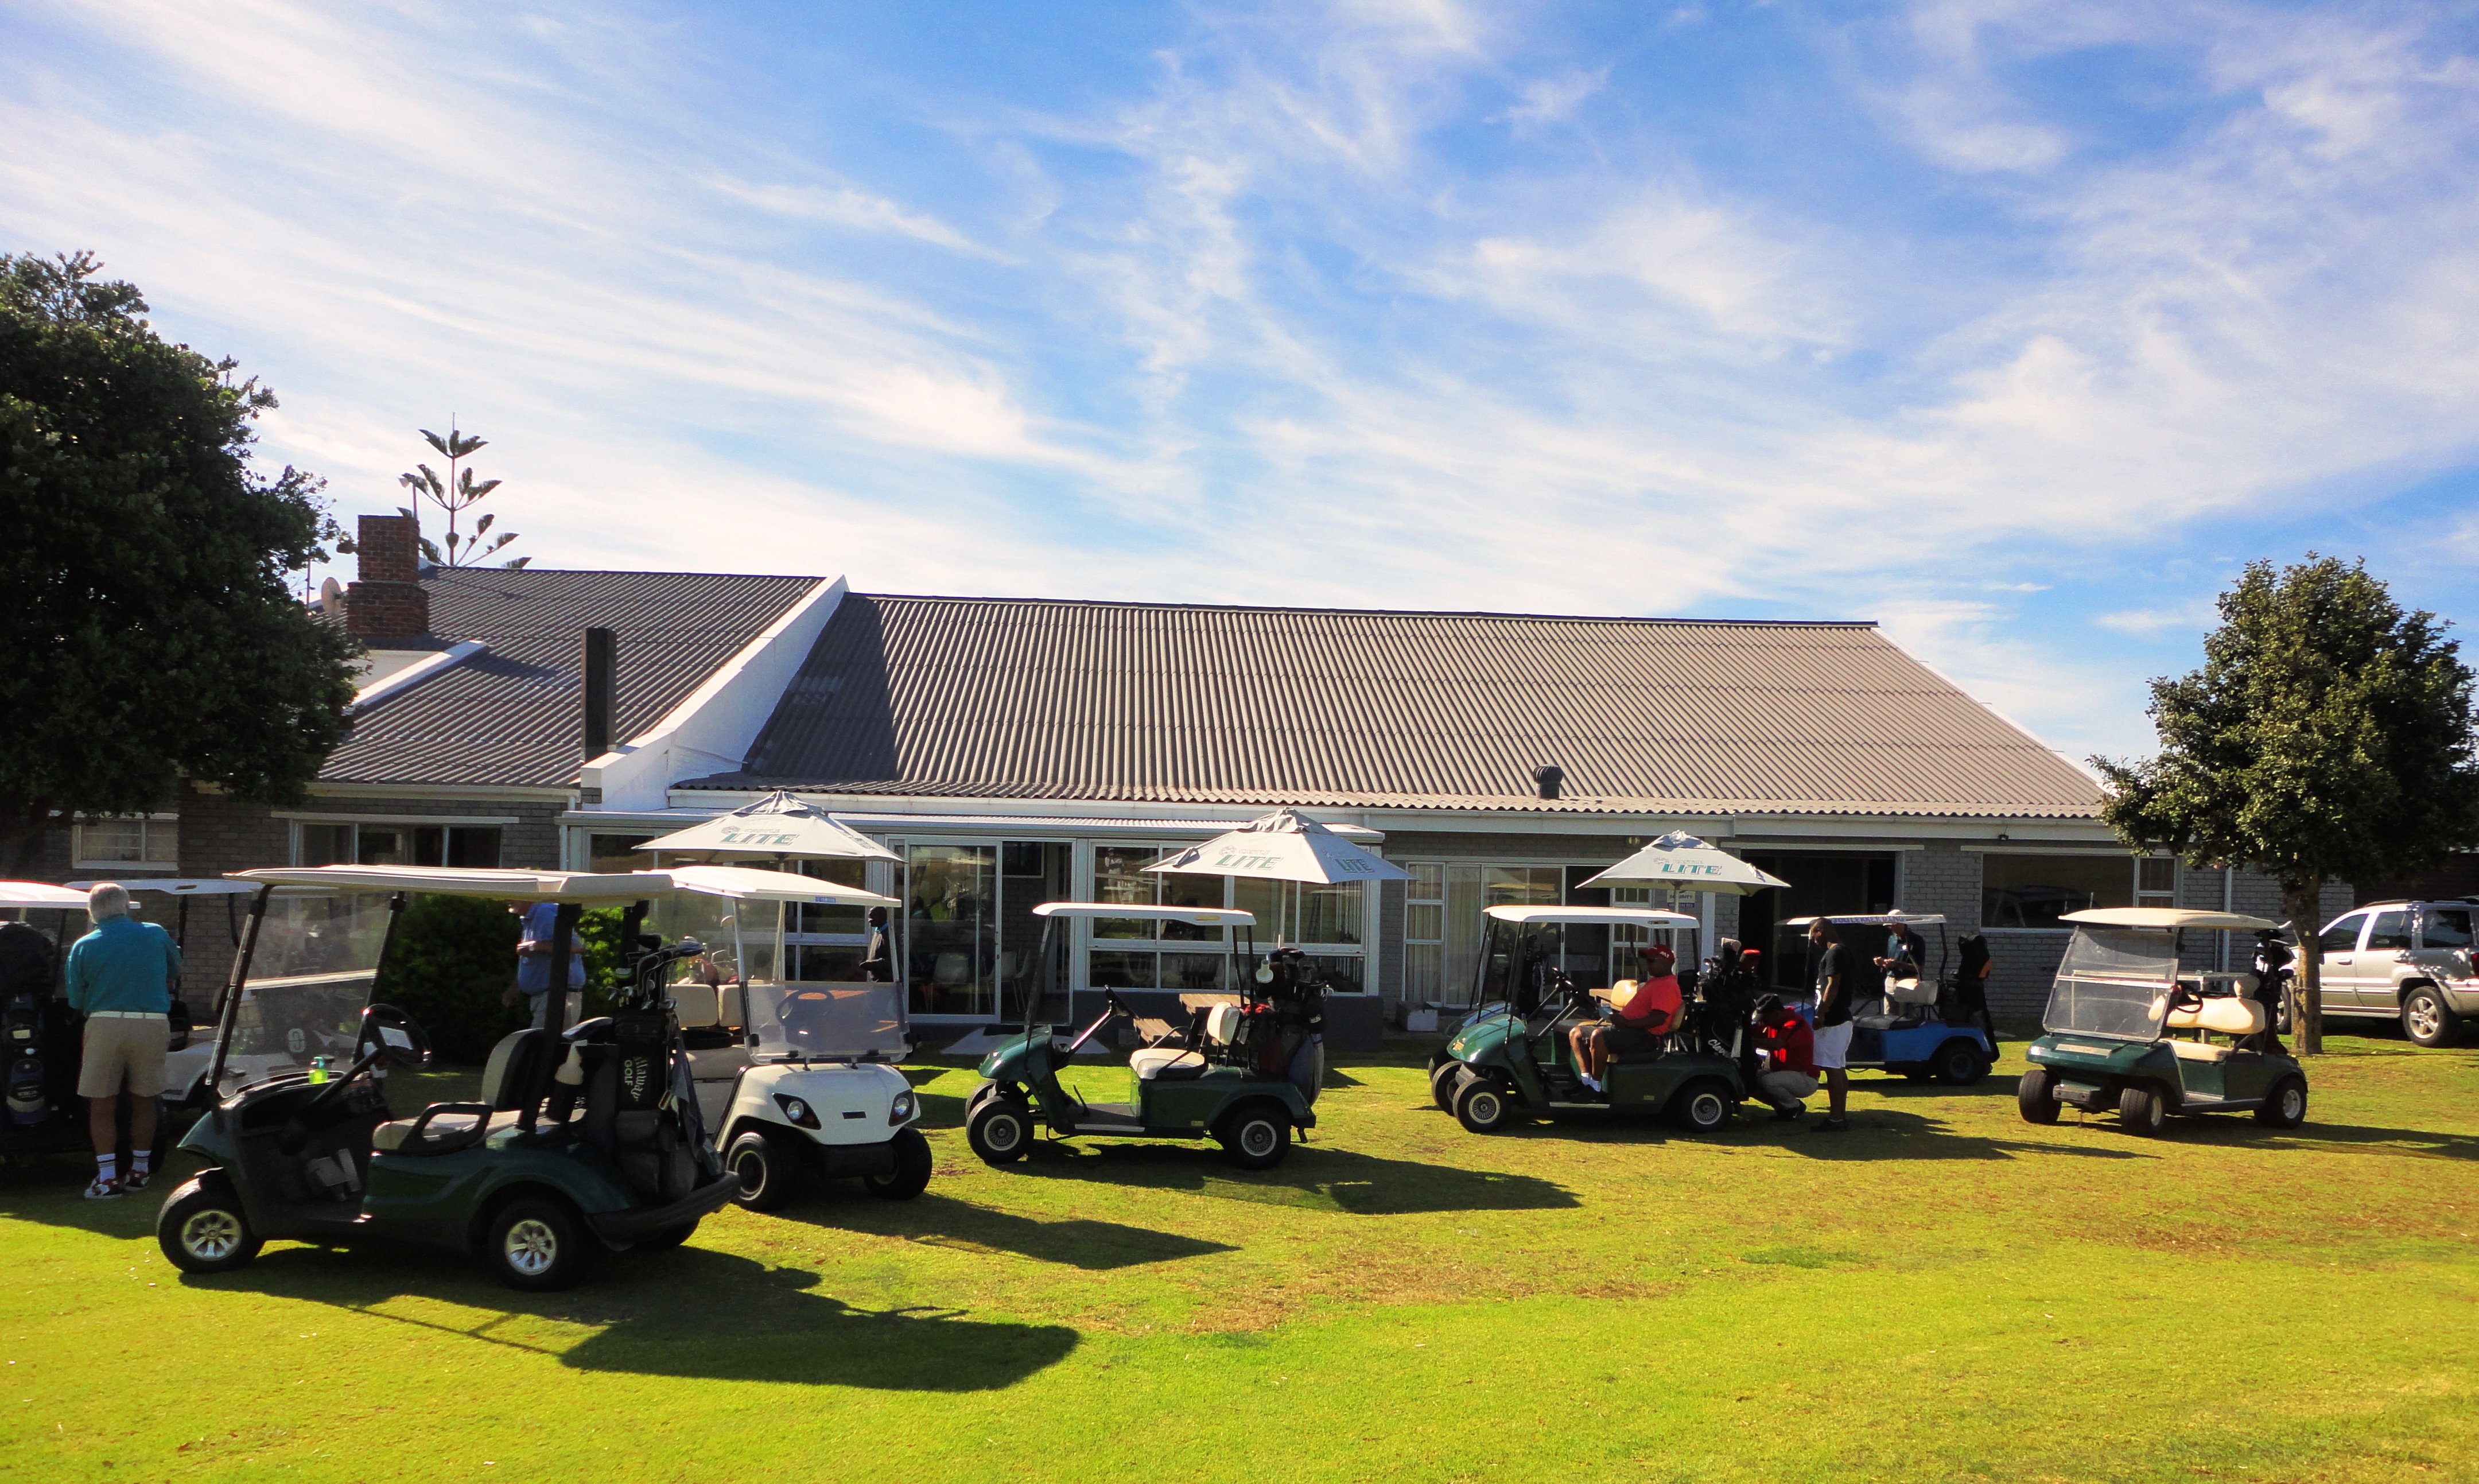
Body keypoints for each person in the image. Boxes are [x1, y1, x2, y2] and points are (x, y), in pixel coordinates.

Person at [64, 884, 182, 1199]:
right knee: (146, 1098)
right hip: (152, 1021)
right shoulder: (155, 933)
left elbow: (76, 999)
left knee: (102, 1103)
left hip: (104, 1021)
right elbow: (175, 968)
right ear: (127, 905)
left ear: (92, 910)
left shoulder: (84, 945)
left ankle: (107, 1178)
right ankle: (140, 1170)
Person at [1568, 945, 1681, 1093]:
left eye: (1651, 961)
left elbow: (1658, 1019)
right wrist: (1619, 1019)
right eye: (1647, 961)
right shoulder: (1655, 982)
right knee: (1577, 1033)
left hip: (1647, 1037)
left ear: (1666, 962)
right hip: (1628, 1031)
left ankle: (1595, 1088)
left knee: (1598, 1036)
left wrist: (1626, 1022)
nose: (1648, 965)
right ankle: (1586, 1082)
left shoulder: (1667, 986)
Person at [501, 901, 585, 1030]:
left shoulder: (544, 912)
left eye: (512, 895)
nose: (506, 900)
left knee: (543, 1042)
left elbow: (576, 947)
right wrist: (516, 986)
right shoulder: (529, 918)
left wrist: (535, 946)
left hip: (557, 995)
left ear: (527, 895)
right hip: (547, 997)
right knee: (540, 1041)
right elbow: (537, 960)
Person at [1807, 916, 1853, 1132]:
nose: (1813, 940)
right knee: (1838, 1067)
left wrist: (1822, 1013)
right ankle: (1839, 1116)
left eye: (1813, 935)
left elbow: (1833, 986)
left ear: (1820, 931)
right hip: (1841, 1019)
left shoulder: (1835, 952)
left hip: (1834, 1019)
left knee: (1832, 1068)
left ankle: (1836, 1119)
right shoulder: (1843, 951)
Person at [1751, 994, 1818, 1121]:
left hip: (1806, 1077)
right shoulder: (1774, 1022)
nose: (1762, 1022)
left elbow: (1778, 1044)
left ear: (1776, 1014)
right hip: (1783, 1073)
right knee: (1750, 1080)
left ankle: (1794, 1107)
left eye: (1764, 1019)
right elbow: (1753, 1030)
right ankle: (1783, 1109)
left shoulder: (1794, 1023)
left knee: (1769, 1081)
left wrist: (1751, 1041)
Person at [860, 906, 895, 984]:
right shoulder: (878, 932)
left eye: (872, 917)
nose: (869, 920)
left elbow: (892, 961)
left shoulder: (889, 935)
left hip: (886, 981)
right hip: (877, 980)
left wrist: (872, 964)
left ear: (881, 917)